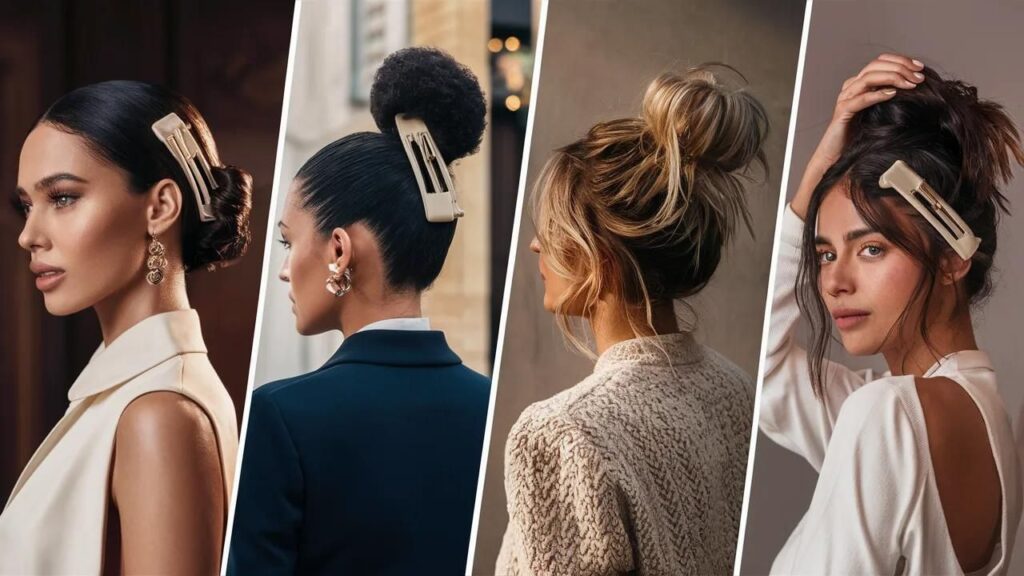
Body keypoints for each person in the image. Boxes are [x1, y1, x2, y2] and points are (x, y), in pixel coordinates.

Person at [227, 47, 490, 575]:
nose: (283, 269)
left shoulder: (281, 419)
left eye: (286, 242)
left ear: (340, 250)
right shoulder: (493, 409)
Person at [496, 65, 767, 575]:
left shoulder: (559, 435)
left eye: (553, 230)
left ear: (601, 261)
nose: (536, 244)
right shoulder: (735, 390)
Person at [760, 53, 1023, 575]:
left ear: (952, 257)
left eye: (871, 248)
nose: (834, 281)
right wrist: (820, 174)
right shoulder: (991, 428)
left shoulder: (886, 415)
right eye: (824, 254)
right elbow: (765, 376)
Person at [1, 80, 251, 574]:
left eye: (64, 197)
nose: (29, 235)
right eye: (28, 205)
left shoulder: (158, 413)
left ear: (159, 207)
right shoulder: (132, 397)